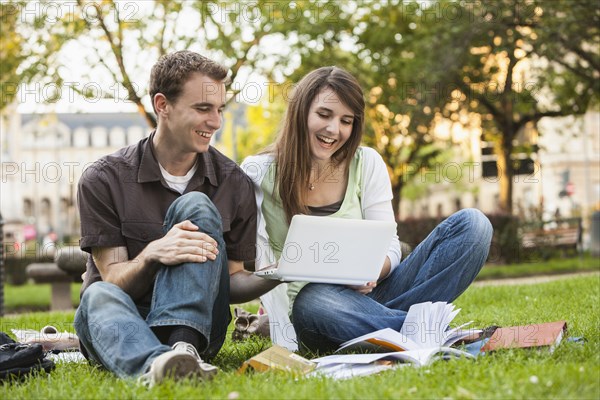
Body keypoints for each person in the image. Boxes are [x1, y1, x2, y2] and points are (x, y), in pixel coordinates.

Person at [241, 66, 493, 353]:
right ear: (300, 112)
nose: (334, 129)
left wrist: (374, 269)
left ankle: (398, 331)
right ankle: (440, 335)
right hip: (317, 312)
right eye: (324, 115)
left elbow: (391, 247)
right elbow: (249, 261)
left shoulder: (366, 162)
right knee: (316, 299)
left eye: (346, 120)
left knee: (474, 225)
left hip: (376, 295)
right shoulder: (258, 172)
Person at [74, 50, 279, 386]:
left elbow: (234, 279)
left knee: (196, 205)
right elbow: (112, 280)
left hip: (200, 330)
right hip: (122, 323)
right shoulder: (104, 179)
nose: (215, 121)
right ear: (162, 105)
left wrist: (281, 273)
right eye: (202, 109)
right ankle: (166, 365)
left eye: (219, 110)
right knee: (96, 295)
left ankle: (182, 346)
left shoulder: (234, 182)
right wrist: (153, 254)